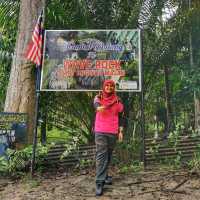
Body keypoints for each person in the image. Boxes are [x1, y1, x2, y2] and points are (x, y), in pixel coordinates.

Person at [93, 79, 124, 196]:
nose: (109, 87)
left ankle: (105, 176)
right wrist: (98, 107)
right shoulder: (99, 97)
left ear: (114, 88)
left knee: (109, 155)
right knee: (101, 155)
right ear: (104, 86)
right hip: (100, 130)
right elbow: (96, 104)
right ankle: (99, 183)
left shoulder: (118, 100)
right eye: (107, 85)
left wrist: (120, 131)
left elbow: (121, 116)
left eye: (111, 86)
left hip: (113, 131)